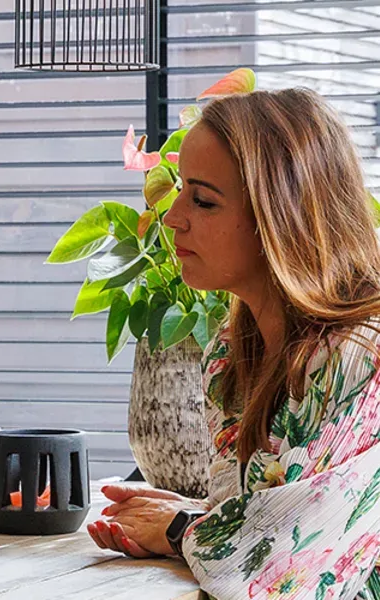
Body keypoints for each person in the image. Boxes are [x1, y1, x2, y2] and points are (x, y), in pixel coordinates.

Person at [86, 87, 380, 598]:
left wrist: (180, 530)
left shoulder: (363, 357)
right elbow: (263, 510)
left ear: (281, 216)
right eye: (181, 192)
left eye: (203, 200)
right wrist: (203, 520)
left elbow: (291, 564)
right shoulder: (231, 354)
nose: (173, 216)